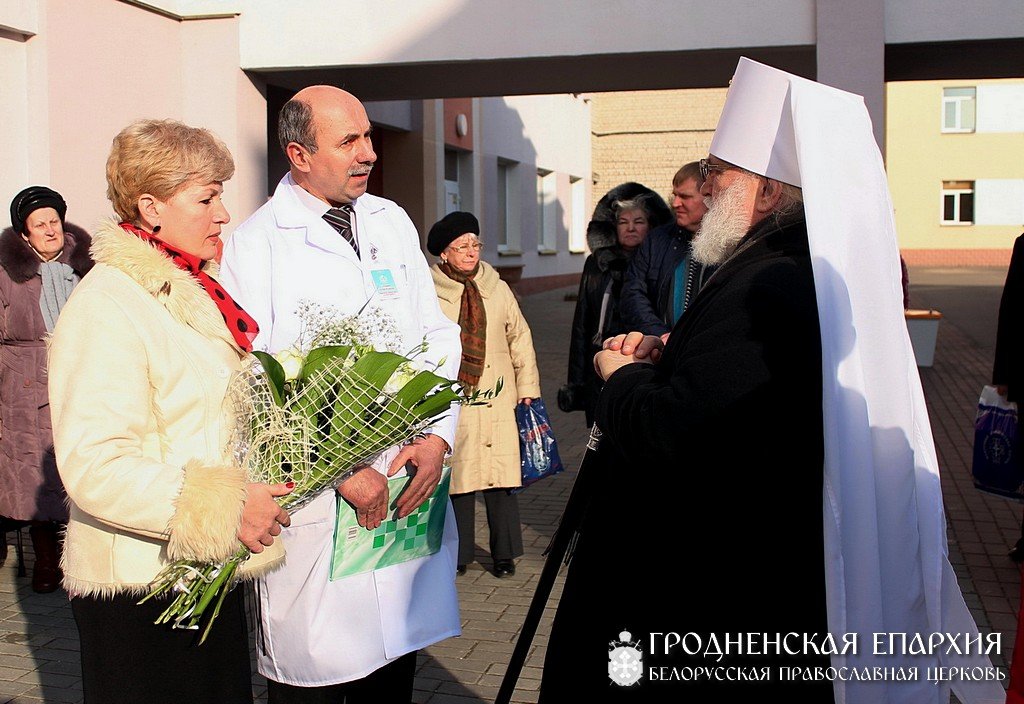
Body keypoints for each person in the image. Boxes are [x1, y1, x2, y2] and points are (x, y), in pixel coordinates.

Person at [538, 58, 1003, 704]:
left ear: (767, 192)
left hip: (707, 590)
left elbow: (678, 432)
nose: (704, 187)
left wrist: (619, 379)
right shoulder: (779, 265)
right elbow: (739, 382)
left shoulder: (769, 281)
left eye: (717, 174)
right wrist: (672, 351)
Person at [220, 85, 462, 703]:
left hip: (406, 472)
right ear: (298, 154)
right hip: (322, 497)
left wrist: (438, 437)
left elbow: (434, 335)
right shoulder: (257, 244)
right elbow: (256, 375)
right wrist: (345, 469)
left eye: (368, 136)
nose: (369, 153)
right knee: (320, 673)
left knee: (394, 664)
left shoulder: (391, 221)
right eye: (348, 140)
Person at [47, 119, 292, 704]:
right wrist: (228, 505)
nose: (223, 213)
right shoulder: (108, 302)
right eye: (207, 198)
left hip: (205, 570)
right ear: (151, 207)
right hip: (142, 589)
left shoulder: (187, 290)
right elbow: (93, 466)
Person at [427, 211, 541, 577]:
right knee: (459, 479)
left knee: (501, 477)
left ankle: (504, 554)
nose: (471, 252)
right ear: (444, 254)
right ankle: (458, 555)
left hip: (499, 392)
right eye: (462, 246)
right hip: (454, 395)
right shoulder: (430, 291)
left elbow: (519, 337)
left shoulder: (496, 286)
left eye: (475, 244)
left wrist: (528, 388)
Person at [0, 187, 92, 592]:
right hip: (23, 382)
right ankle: (46, 562)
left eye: (54, 221)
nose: (50, 230)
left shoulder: (87, 265)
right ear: (24, 234)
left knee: (79, 467)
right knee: (34, 474)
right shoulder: (6, 273)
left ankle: (81, 554)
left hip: (81, 377)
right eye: (40, 225)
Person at [564, 196, 655, 426]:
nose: (631, 228)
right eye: (624, 222)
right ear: (614, 227)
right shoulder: (597, 263)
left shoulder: (656, 265)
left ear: (651, 225)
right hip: (601, 360)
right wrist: (576, 382)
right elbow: (582, 323)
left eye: (639, 221)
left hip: (640, 359)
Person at [619, 162, 712, 340]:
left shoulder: (729, 245)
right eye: (674, 195)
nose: (676, 203)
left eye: (685, 196)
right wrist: (661, 335)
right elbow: (633, 293)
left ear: (709, 196)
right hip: (657, 350)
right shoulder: (657, 240)